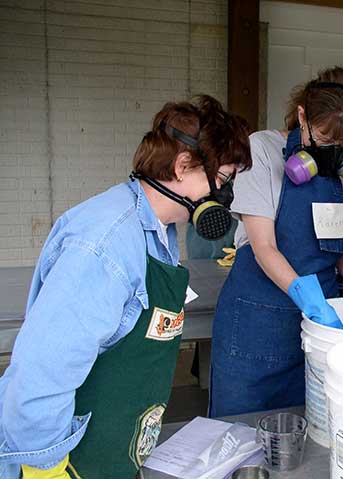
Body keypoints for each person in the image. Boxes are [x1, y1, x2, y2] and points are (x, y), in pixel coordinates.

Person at [0, 96, 252, 479]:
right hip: (68, 461)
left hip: (115, 450)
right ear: (183, 166)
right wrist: (45, 468)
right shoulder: (107, 244)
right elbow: (41, 372)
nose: (225, 196)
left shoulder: (158, 231)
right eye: (220, 180)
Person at [209, 66, 343, 418]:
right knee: (239, 430)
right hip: (255, 321)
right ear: (302, 117)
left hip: (320, 327)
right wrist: (304, 294)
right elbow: (263, 246)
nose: (333, 154)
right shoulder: (262, 149)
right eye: (324, 141)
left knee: (308, 429)